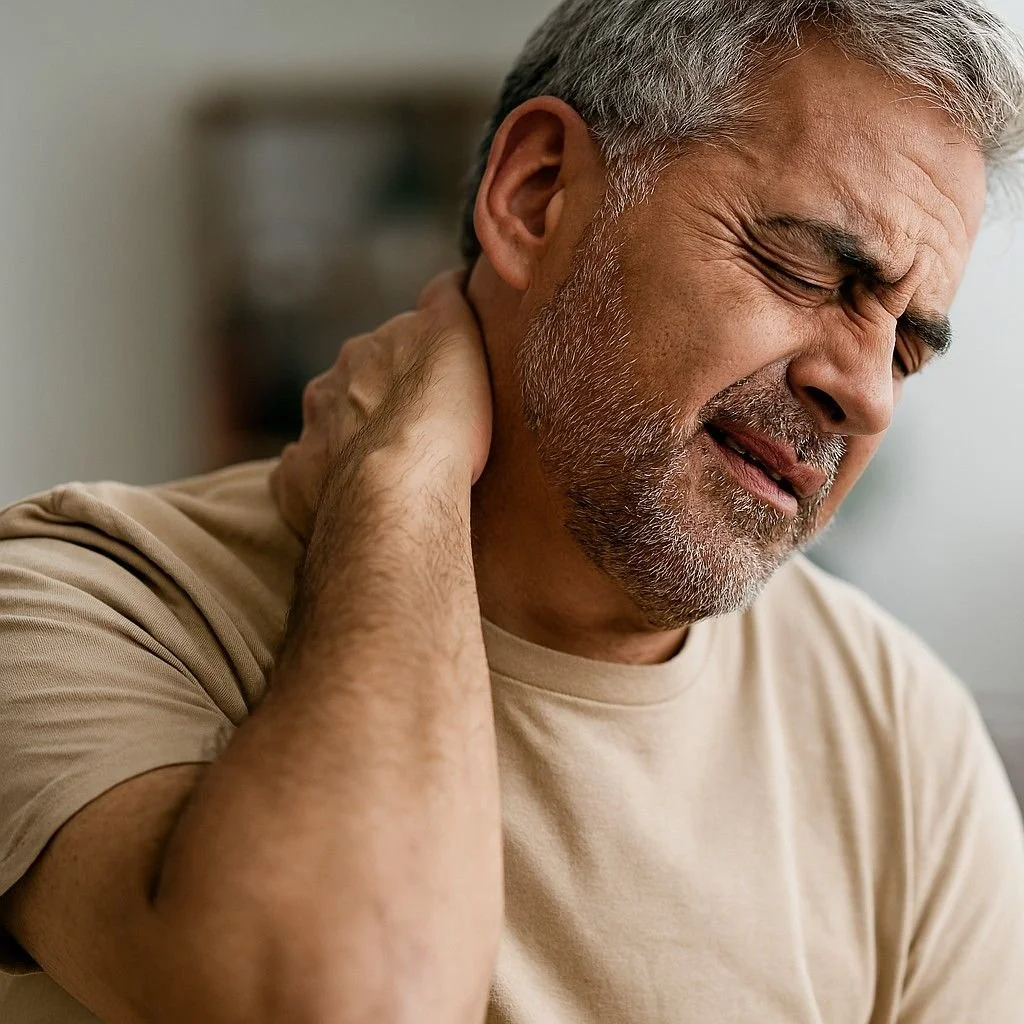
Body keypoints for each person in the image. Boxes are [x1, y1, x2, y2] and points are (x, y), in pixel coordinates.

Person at [2, 0, 1024, 1020]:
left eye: (905, 348)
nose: (867, 395)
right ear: (537, 196)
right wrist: (400, 474)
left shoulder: (907, 740)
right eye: (805, 267)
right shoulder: (81, 603)